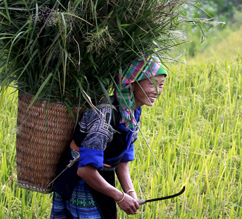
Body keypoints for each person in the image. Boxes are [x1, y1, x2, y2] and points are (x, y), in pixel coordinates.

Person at [51, 57, 167, 219]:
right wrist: (119, 196)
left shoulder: (132, 112)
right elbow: (85, 170)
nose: (157, 90)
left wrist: (130, 191)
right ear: (132, 83)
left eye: (160, 85)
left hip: (101, 176)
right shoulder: (104, 116)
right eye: (152, 84)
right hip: (79, 180)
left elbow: (122, 157)